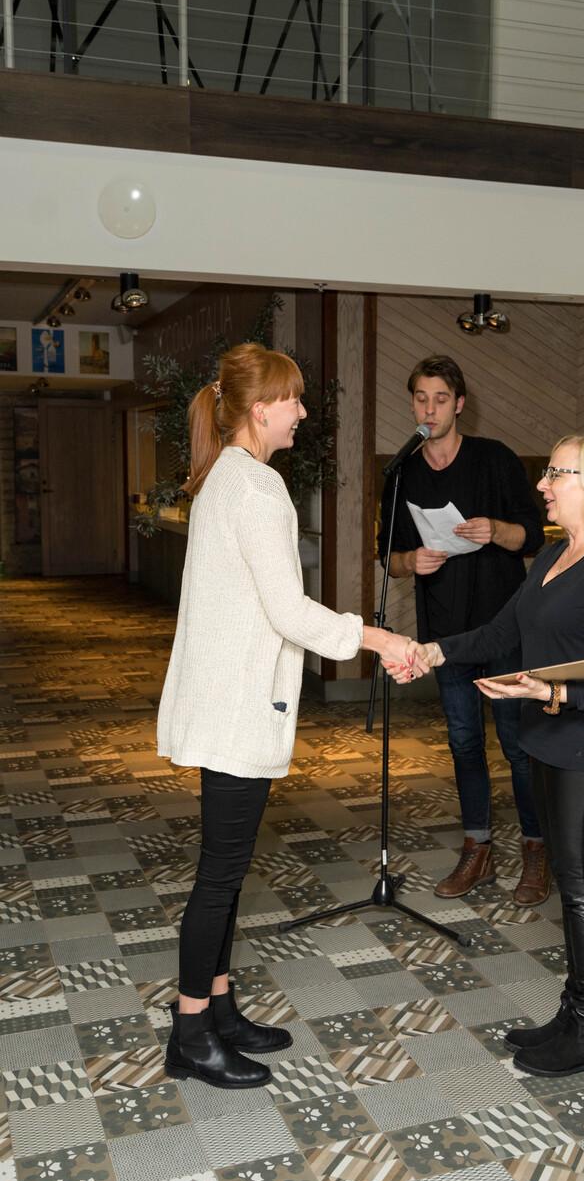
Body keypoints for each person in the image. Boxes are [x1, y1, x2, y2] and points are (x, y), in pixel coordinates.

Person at [157, 343, 425, 1090]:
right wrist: (380, 638)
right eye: (294, 399)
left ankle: (218, 1008)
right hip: (236, 706)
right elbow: (288, 611)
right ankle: (190, 1033)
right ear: (260, 408)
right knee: (219, 875)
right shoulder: (256, 487)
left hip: (224, 699)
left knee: (227, 869)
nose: (303, 412)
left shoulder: (227, 477)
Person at [391, 433, 584, 1078]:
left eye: (556, 474)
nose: (542, 485)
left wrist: (555, 691)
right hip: (550, 743)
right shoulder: (556, 554)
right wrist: (432, 652)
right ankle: (573, 1014)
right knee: (570, 884)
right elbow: (501, 631)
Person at [378, 355, 548, 905]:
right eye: (421, 399)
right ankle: (478, 848)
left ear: (460, 405)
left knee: (518, 745)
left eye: (440, 399)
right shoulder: (402, 472)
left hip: (505, 628)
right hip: (444, 635)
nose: (430, 409)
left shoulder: (494, 459)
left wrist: (496, 529)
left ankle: (537, 848)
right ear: (412, 403)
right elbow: (388, 558)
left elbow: (533, 536)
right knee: (464, 742)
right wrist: (412, 562)